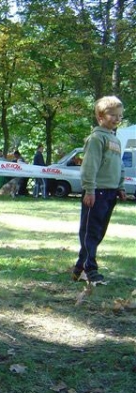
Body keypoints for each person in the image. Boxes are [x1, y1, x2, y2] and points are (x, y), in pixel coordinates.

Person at [72, 96, 126, 284]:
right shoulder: (96, 138)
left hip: (110, 192)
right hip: (97, 193)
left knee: (98, 232)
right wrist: (89, 190)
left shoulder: (115, 139)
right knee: (90, 232)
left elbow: (118, 165)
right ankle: (88, 268)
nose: (117, 119)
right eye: (112, 115)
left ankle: (80, 267)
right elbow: (90, 166)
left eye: (119, 116)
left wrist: (120, 186)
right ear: (100, 116)